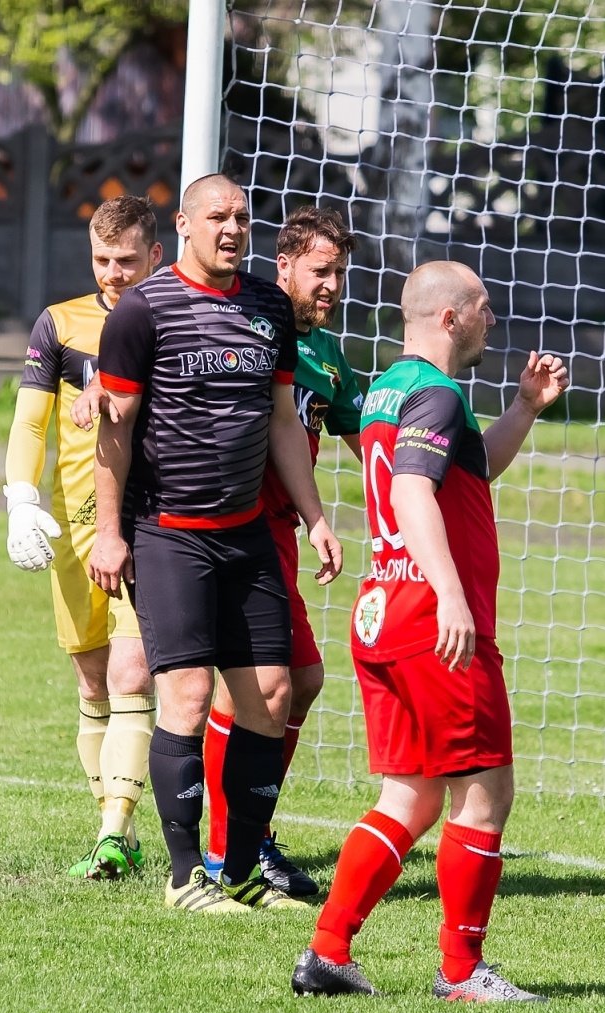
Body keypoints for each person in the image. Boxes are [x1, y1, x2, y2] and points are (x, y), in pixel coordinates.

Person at [291, 261, 569, 1001]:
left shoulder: (392, 388)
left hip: (384, 611)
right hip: (432, 620)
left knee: (409, 799)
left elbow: (461, 474)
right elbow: (414, 488)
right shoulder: (439, 394)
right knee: (485, 793)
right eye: (483, 307)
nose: (492, 320)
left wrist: (522, 410)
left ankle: (327, 952)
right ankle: (461, 971)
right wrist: (452, 596)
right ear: (450, 318)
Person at [89, 174, 344, 913]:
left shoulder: (268, 308)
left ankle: (239, 871)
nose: (232, 228)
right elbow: (116, 427)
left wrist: (316, 515)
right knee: (189, 694)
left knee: (271, 693)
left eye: (241, 216)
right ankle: (182, 876)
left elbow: (280, 422)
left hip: (246, 536)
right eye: (216, 216)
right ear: (185, 223)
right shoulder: (144, 310)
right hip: (169, 535)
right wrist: (109, 534)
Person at [201, 206, 364, 898]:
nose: (331, 286)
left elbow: (369, 435)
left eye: (340, 274)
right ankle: (226, 848)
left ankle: (249, 832)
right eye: (321, 271)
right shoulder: (245, 324)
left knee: (298, 681)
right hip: (230, 529)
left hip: (282, 536)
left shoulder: (326, 356)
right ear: (285, 266)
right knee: (269, 685)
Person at [3, 195, 163, 879]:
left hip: (147, 523)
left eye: (126, 259)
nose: (114, 273)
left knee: (133, 671)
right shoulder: (60, 325)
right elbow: (31, 423)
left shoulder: (170, 318)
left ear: (155, 255)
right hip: (73, 529)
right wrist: (19, 498)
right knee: (92, 680)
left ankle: (112, 828)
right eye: (102, 259)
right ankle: (115, 833)